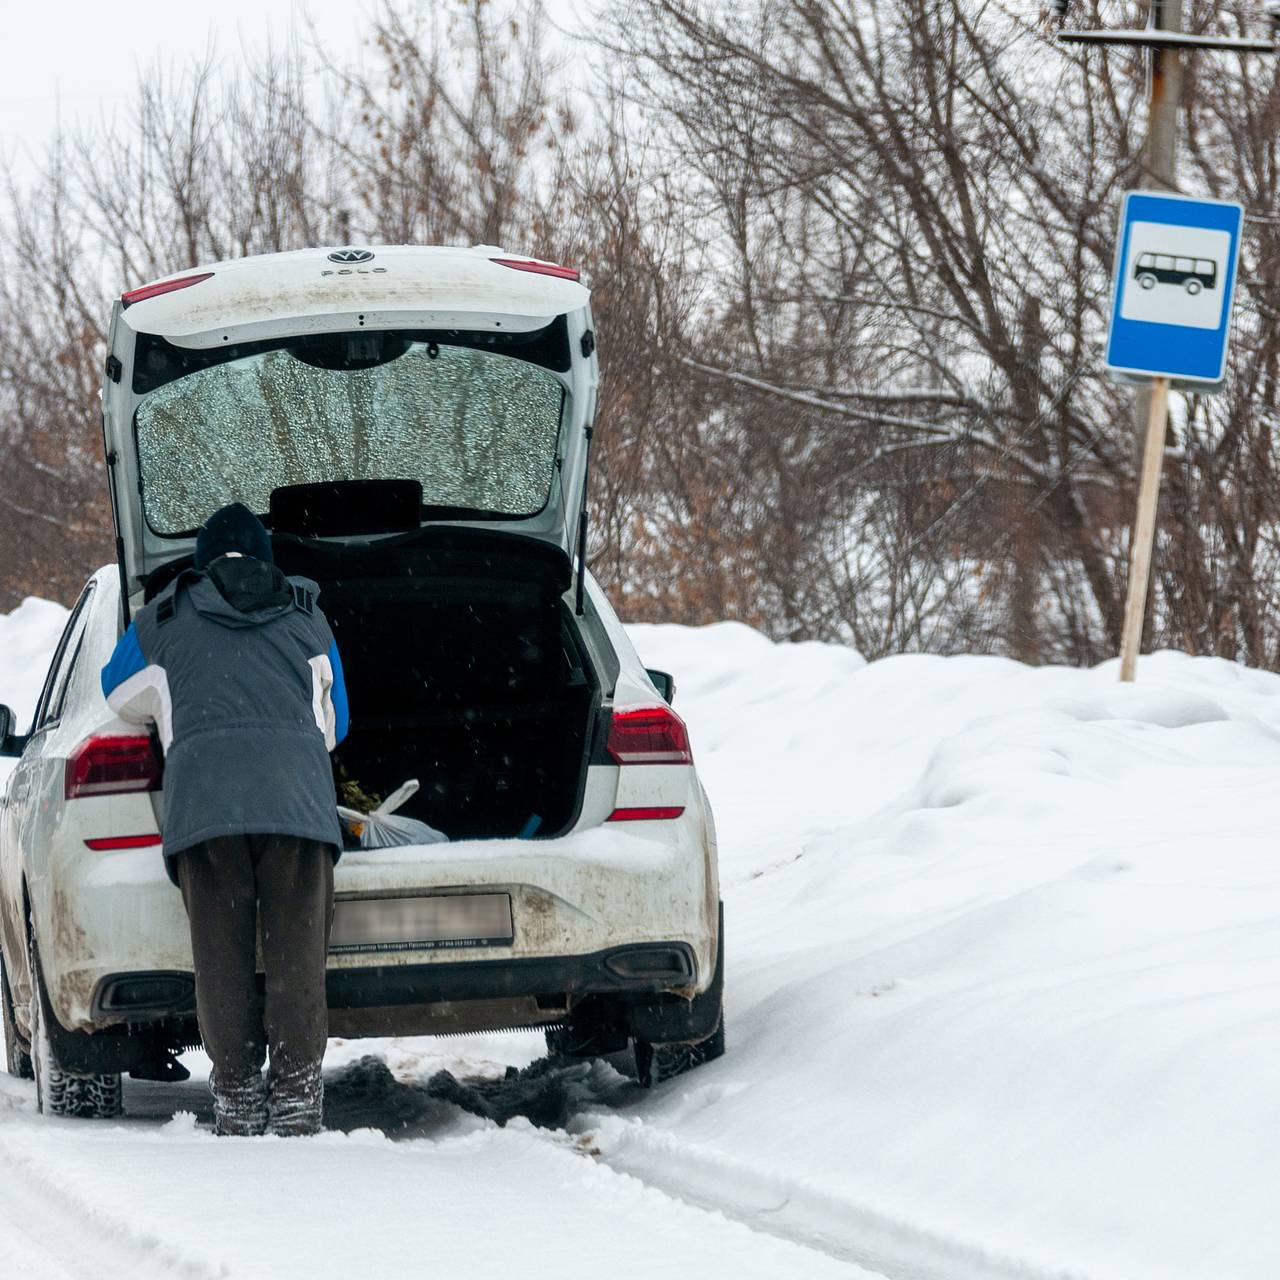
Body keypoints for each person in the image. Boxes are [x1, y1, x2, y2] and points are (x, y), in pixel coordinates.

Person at [100, 502, 348, 1137]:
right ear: (265, 558)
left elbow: (116, 693)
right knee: (296, 957)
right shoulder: (307, 617)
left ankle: (236, 1093)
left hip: (206, 811)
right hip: (295, 807)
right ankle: (295, 1095)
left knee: (222, 957)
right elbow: (334, 727)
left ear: (202, 562)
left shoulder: (163, 621)